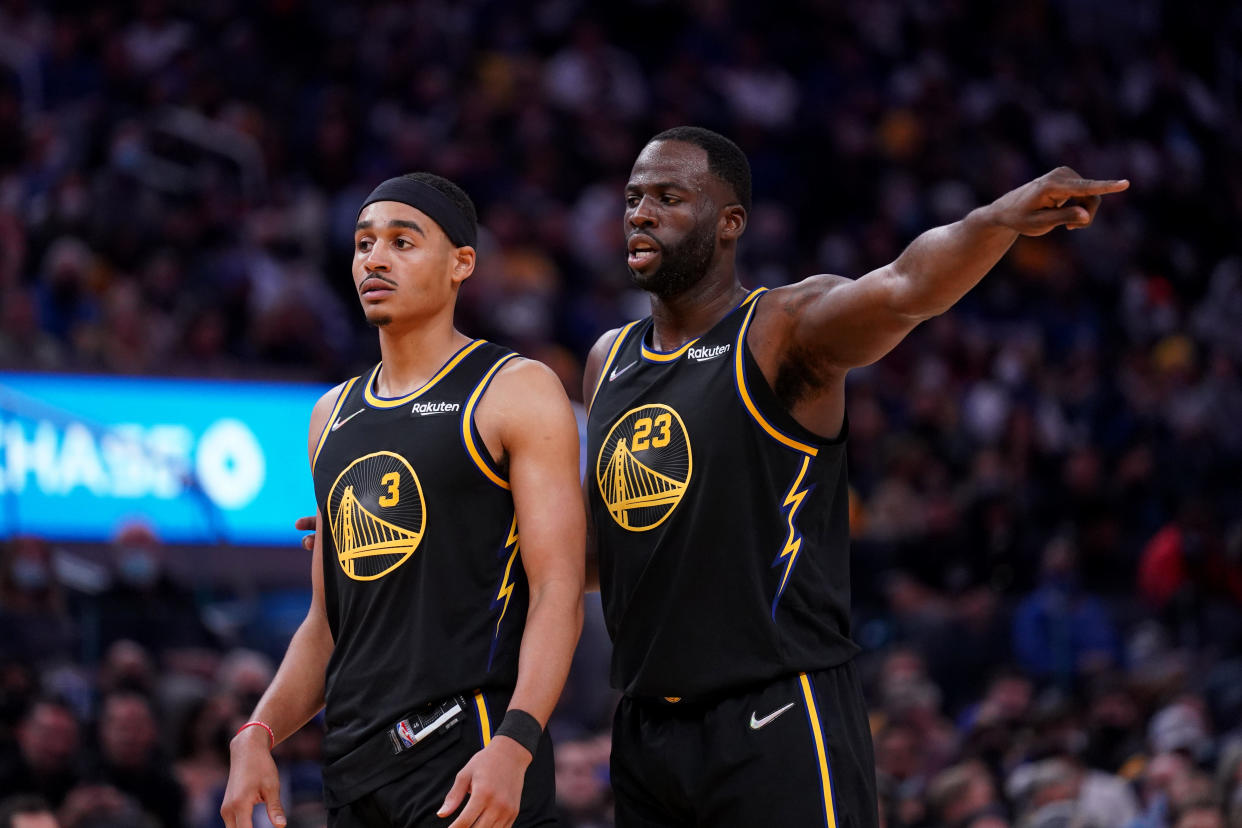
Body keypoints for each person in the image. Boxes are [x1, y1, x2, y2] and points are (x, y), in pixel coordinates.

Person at [582, 126, 1128, 827]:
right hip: (646, 729)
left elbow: (903, 288)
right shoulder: (608, 359)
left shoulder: (781, 327)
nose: (641, 213)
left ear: (730, 224)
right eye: (632, 198)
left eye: (667, 197)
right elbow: (607, 555)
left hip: (775, 709)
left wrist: (992, 222)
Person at [220, 173, 585, 828]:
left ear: (460, 264)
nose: (375, 259)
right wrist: (257, 732)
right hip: (355, 770)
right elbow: (326, 625)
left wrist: (517, 740)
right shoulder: (329, 415)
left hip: (469, 752)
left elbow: (557, 590)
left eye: (401, 241)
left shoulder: (515, 388)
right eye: (363, 244)